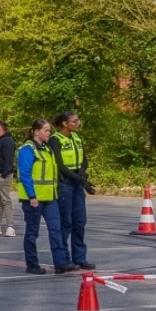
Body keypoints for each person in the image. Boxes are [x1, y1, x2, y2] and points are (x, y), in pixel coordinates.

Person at [16, 118, 75, 275]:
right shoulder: (27, 149)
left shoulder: (47, 149)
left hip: (50, 198)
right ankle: (32, 264)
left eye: (49, 130)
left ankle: (60, 263)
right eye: (46, 130)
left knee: (56, 230)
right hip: (34, 199)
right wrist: (32, 196)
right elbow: (25, 174)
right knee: (32, 232)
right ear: (36, 131)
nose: (49, 133)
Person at [49, 111, 94, 270]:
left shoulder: (76, 137)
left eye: (78, 120)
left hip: (77, 182)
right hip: (65, 183)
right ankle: (64, 259)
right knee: (66, 222)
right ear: (64, 124)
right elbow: (60, 165)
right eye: (74, 121)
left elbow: (84, 160)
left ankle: (80, 257)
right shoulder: (55, 140)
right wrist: (81, 180)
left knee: (79, 222)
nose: (78, 123)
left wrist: (81, 174)